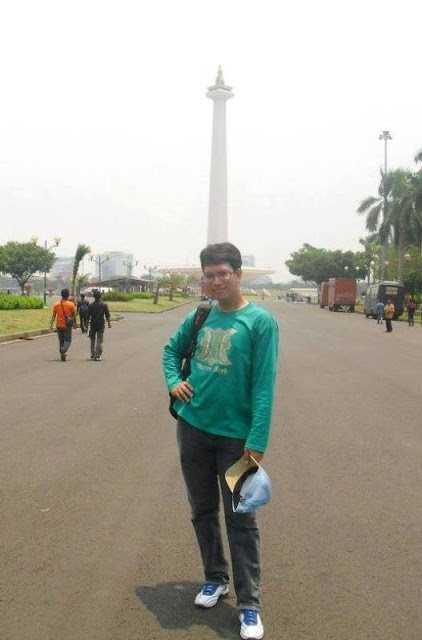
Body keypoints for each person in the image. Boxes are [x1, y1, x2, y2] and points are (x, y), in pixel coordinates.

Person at [162, 242, 279, 640]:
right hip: (193, 430)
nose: (215, 281)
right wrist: (174, 382)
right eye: (209, 275)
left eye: (222, 274)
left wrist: (257, 441)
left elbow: (263, 386)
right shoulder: (200, 315)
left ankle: (249, 605)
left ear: (238, 274)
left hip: (236, 442)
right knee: (202, 510)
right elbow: (169, 351)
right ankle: (216, 577)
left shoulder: (260, 322)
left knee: (241, 519)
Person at [50, 288, 77, 361]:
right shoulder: (71, 304)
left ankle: (62, 355)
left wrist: (51, 325)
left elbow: (53, 316)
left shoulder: (56, 304)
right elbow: (74, 315)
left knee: (61, 341)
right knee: (68, 340)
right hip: (67, 326)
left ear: (61, 295)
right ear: (68, 295)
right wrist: (75, 324)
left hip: (59, 325)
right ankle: (63, 350)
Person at [88, 290, 111, 361]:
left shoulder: (91, 305)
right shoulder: (104, 305)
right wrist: (109, 323)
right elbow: (107, 315)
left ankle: (92, 354)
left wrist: (87, 324)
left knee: (92, 339)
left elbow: (88, 316)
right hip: (101, 324)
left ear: (94, 297)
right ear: (100, 296)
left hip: (93, 324)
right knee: (99, 340)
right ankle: (97, 355)